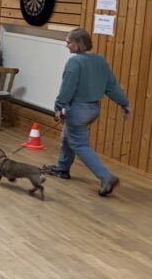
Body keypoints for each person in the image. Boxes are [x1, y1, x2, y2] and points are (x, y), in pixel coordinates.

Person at [42, 28, 130, 197]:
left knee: (80, 144)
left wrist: (58, 107)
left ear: (79, 43)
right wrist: (124, 104)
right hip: (93, 110)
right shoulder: (100, 60)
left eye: (69, 42)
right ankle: (62, 168)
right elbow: (112, 86)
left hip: (78, 111)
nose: (66, 45)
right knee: (67, 137)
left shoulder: (75, 62)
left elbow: (68, 88)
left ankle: (106, 177)